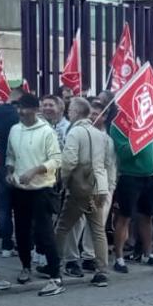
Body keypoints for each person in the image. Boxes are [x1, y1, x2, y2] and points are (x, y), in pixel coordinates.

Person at [5, 94, 64, 297]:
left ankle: (55, 276)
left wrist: (35, 170)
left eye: (25, 108)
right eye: (19, 108)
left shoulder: (47, 132)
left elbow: (56, 160)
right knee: (21, 231)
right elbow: (10, 155)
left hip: (42, 189)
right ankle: (25, 266)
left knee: (45, 233)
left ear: (35, 110)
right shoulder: (15, 130)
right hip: (20, 190)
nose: (21, 112)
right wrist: (9, 172)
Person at [55, 97, 115, 288]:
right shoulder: (100, 135)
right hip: (98, 187)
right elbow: (106, 162)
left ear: (76, 112)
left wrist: (62, 180)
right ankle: (102, 271)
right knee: (98, 230)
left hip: (79, 188)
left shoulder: (75, 132)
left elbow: (70, 161)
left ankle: (55, 265)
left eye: (70, 109)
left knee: (62, 227)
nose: (68, 112)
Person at [110, 115, 153, 273]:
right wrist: (139, 139)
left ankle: (148, 254)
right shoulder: (118, 125)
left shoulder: (148, 121)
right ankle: (119, 257)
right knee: (124, 217)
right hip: (129, 176)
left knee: (147, 216)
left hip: (150, 176)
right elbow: (123, 152)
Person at [0, 78, 25, 256]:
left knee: (3, 207)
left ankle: (6, 246)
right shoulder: (21, 116)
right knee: (20, 209)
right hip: (20, 166)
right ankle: (24, 243)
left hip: (1, 163)